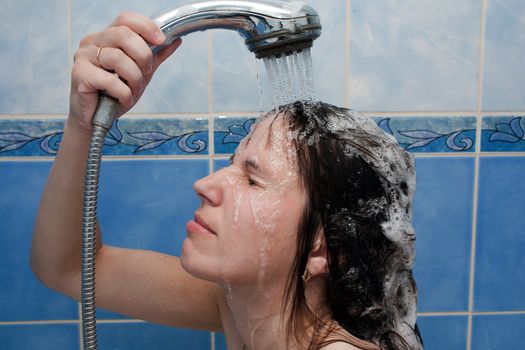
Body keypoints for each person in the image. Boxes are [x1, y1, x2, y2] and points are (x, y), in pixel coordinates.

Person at [30, 12, 423, 350]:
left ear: (322, 248)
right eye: (234, 164)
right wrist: (81, 124)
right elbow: (69, 267)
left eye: (253, 180)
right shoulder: (248, 304)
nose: (205, 185)